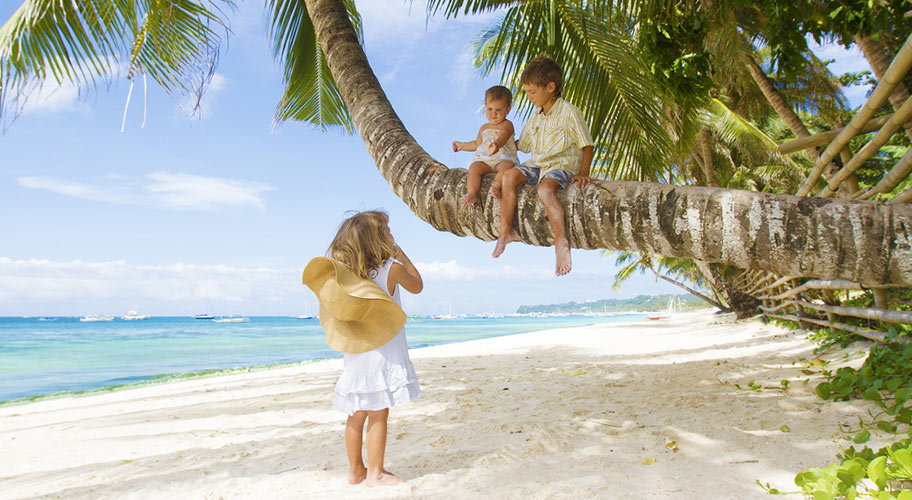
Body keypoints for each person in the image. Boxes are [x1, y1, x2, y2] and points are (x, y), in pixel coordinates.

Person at [307, 211, 423, 487]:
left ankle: (356, 471)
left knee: (356, 412)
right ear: (379, 240)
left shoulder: (344, 277)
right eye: (388, 231)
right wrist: (403, 257)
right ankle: (376, 473)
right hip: (383, 354)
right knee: (379, 411)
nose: (392, 235)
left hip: (357, 353)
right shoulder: (391, 269)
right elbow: (417, 286)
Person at [492, 56, 594, 276]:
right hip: (538, 164)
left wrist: (584, 173)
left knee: (545, 190)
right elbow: (523, 144)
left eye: (532, 92)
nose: (529, 97)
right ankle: (505, 232)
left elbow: (587, 145)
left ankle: (561, 242)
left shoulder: (570, 112)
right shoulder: (535, 117)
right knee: (508, 177)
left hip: (562, 164)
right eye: (527, 92)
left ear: (550, 87)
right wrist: (497, 144)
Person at [452, 85, 520, 206]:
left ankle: (497, 186)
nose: (493, 114)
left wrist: (497, 144)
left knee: (507, 167)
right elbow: (477, 144)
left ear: (508, 109)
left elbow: (504, 136)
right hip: (485, 160)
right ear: (485, 106)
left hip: (503, 159)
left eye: (498, 110)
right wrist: (461, 146)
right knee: (474, 168)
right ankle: (472, 194)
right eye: (490, 109)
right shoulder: (484, 128)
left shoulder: (507, 124)